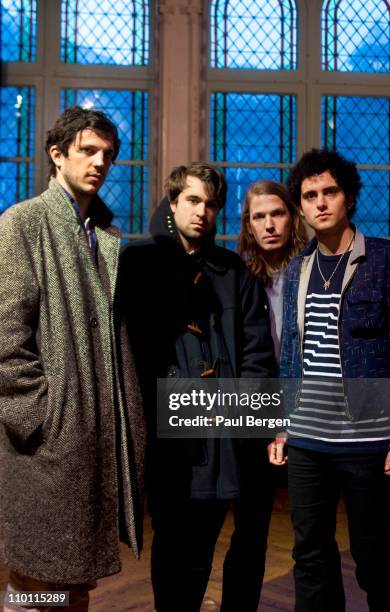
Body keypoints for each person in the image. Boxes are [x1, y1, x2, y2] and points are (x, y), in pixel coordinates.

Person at [0, 106, 145, 612]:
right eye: (88, 150)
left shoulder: (101, 234)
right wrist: (44, 415)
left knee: (74, 581)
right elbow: (5, 338)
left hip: (91, 439)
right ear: (57, 155)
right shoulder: (22, 222)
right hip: (48, 441)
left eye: (108, 154)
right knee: (35, 583)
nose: (100, 162)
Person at [119, 162, 276, 612]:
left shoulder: (234, 272)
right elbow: (129, 350)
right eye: (192, 200)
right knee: (170, 546)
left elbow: (257, 356)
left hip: (221, 433)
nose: (202, 212)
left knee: (206, 542)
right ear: (173, 203)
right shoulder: (139, 264)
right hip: (167, 434)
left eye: (211, 204)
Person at [269, 148, 390, 612]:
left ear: (348, 197)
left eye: (330, 191)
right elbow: (291, 351)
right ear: (301, 206)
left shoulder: (387, 260)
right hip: (308, 442)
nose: (321, 202)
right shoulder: (297, 270)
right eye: (310, 195)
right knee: (310, 557)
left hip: (369, 441)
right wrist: (282, 424)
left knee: (373, 560)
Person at [216, 180, 307, 612]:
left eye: (278, 213)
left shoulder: (314, 270)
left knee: (312, 535)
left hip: (309, 412)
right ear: (248, 226)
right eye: (259, 216)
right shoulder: (236, 277)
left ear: (293, 217)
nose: (270, 224)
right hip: (255, 414)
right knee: (250, 533)